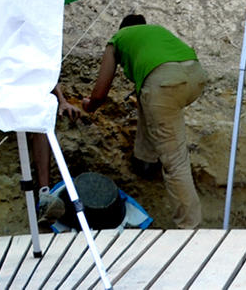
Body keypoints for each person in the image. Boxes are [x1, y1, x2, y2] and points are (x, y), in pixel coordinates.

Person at [66, 14, 206, 228]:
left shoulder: (118, 39)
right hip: (196, 76)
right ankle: (146, 161)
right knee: (146, 99)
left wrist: (89, 105)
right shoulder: (156, 31)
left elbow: (100, 93)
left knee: (175, 161)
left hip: (165, 83)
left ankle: (189, 226)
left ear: (122, 28)